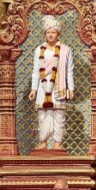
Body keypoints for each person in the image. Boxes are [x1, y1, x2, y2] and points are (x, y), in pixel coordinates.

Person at [30, 15, 74, 151]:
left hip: (59, 86)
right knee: (42, 115)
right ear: (45, 34)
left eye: (53, 32)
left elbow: (69, 71)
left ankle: (57, 143)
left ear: (58, 34)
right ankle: (43, 142)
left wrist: (71, 88)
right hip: (43, 88)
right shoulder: (39, 50)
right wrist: (33, 89)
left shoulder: (65, 50)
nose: (50, 35)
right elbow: (36, 71)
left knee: (59, 115)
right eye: (48, 32)